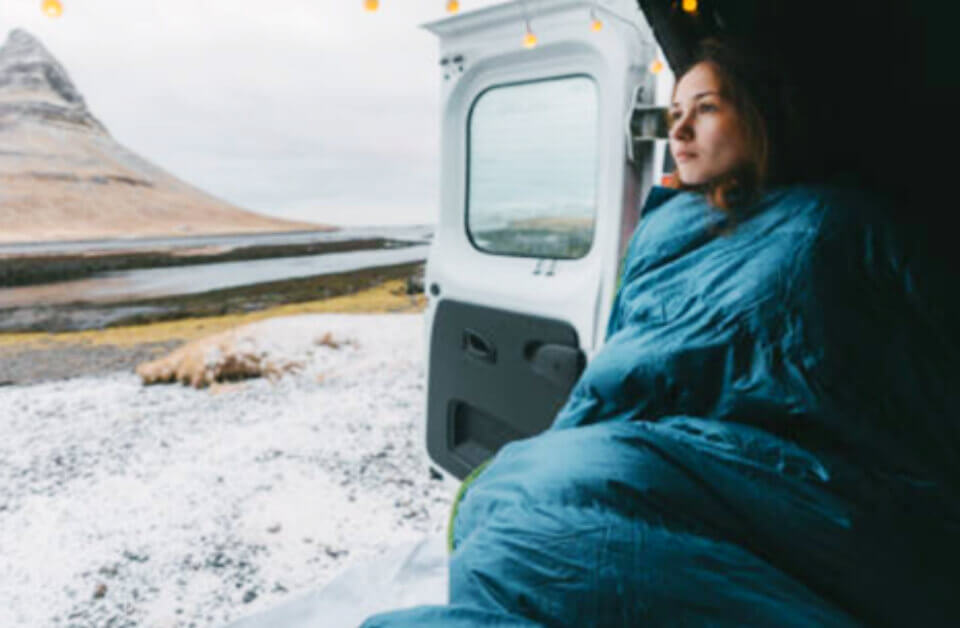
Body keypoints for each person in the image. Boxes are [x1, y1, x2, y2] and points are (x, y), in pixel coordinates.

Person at [363, 38, 960, 627]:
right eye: (674, 115)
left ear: (758, 114)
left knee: (542, 531)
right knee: (517, 494)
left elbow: (883, 374)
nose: (679, 132)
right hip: (655, 445)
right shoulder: (667, 228)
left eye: (705, 108)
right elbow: (630, 360)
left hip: (775, 471)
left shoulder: (834, 223)